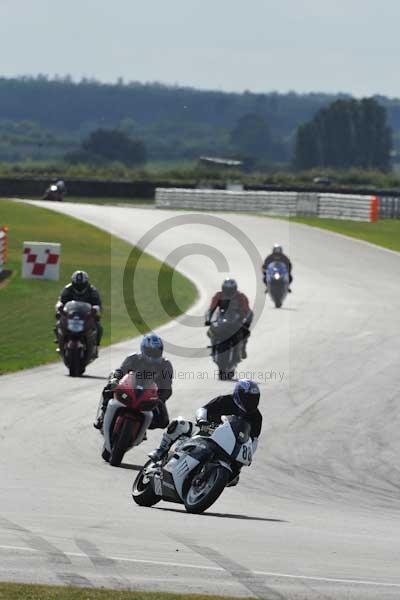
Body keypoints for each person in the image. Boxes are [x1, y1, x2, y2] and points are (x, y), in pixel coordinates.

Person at [148, 379, 262, 486]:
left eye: (253, 399)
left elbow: (254, 439)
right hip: (210, 429)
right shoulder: (225, 400)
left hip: (232, 443)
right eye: (248, 398)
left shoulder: (256, 417)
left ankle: (206, 480)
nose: (250, 402)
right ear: (239, 394)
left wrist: (248, 454)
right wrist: (202, 420)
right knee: (179, 424)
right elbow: (204, 410)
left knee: (234, 477)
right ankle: (161, 450)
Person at [93, 333, 173, 431]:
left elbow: (167, 386)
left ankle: (142, 427)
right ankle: (102, 416)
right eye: (150, 351)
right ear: (143, 349)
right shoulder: (133, 358)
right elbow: (120, 371)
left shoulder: (166, 365)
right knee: (109, 389)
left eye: (156, 351)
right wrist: (114, 379)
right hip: (129, 389)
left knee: (163, 422)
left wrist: (160, 399)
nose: (153, 354)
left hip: (151, 396)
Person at [205, 279, 253, 359]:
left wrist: (246, 320)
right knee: (210, 331)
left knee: (245, 332)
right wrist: (208, 319)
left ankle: (242, 349)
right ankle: (214, 347)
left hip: (237, 320)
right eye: (227, 289)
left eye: (230, 290)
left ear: (235, 289)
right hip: (222, 320)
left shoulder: (241, 296)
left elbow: (246, 309)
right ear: (223, 288)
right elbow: (212, 308)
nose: (228, 292)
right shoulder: (219, 295)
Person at [55, 270, 103, 346]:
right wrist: (60, 308)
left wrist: (95, 310)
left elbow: (97, 303)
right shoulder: (67, 289)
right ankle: (59, 340)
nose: (79, 287)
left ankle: (96, 344)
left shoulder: (92, 290)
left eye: (82, 285)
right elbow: (61, 301)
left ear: (86, 283)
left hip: (87, 314)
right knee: (58, 323)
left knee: (98, 326)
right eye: (77, 285)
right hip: (71, 314)